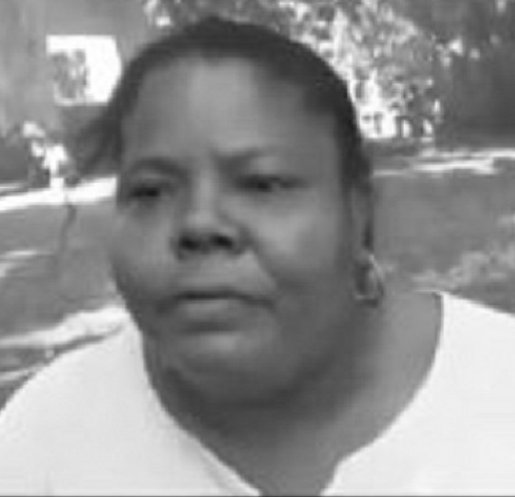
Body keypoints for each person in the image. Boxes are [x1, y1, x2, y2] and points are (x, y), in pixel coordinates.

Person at [0, 17, 515, 496]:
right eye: (150, 191)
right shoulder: (46, 440)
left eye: (262, 184)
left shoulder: (498, 390)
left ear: (358, 209)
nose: (199, 224)